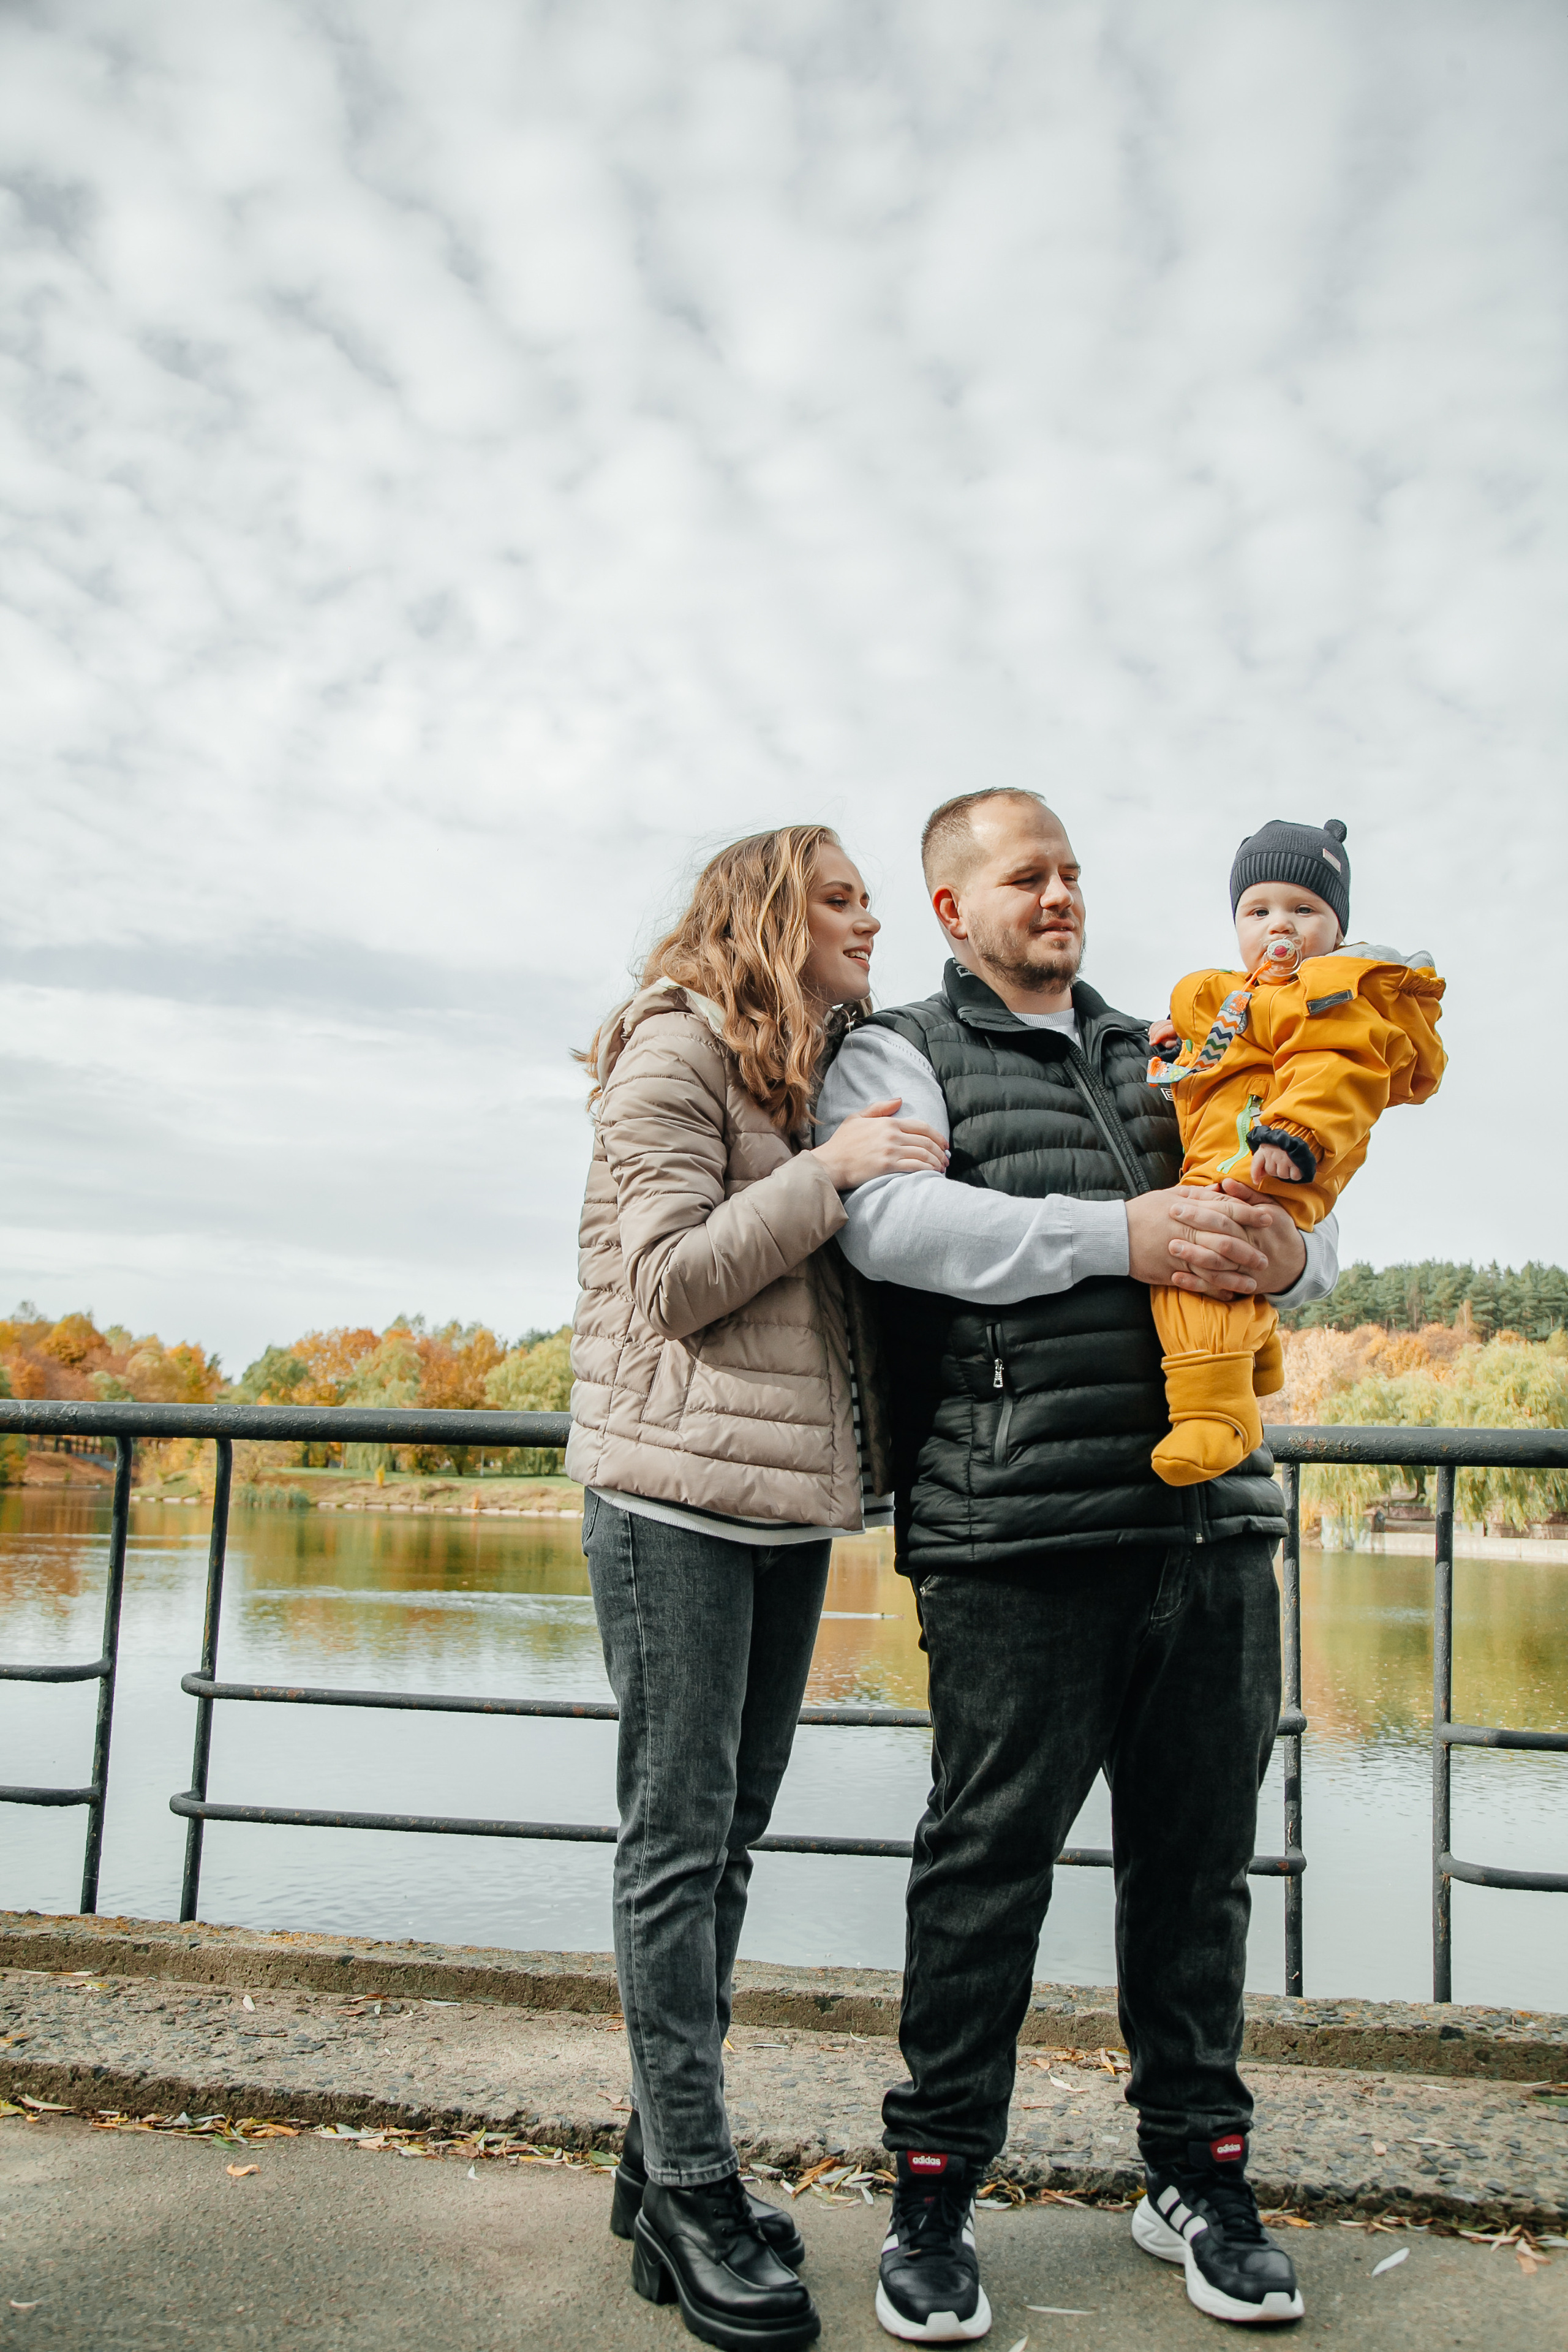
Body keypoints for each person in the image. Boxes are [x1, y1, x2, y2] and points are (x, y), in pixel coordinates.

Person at [814, 788, 1342, 2339]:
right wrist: (1128, 1235)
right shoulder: (895, 1049)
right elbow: (894, 1223)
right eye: (1024, 876)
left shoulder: (1170, 1042)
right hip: (1018, 1529)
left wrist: (1284, 1251)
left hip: (1216, 1519)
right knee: (984, 1871)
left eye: (1071, 872)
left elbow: (1311, 1208)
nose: (1059, 896)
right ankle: (931, 2194)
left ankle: (1194, 2171)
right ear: (949, 906)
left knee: (1195, 1878)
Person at [567, 824, 946, 2352]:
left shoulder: (814, 1061)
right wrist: (829, 1170)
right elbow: (669, 1279)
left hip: (787, 1509)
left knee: (725, 1840)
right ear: (766, 914)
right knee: (677, 1841)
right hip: (669, 1500)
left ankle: (652, 2157)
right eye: (842, 897)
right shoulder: (671, 1049)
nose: (871, 920)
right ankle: (691, 2179)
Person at [1145, 816, 1444, 1484]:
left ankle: (1214, 1413)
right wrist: (1177, 1055)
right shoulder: (1242, 998)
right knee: (1207, 1262)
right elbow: (1218, 1075)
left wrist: (1298, 1133)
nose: (1278, 926)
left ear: (1336, 928)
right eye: (1258, 910)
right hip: (1232, 1156)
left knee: (1192, 1272)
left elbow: (1340, 1068)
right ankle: (1255, 1358)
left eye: (1302, 909)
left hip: (1279, 1154)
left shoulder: (1334, 995)